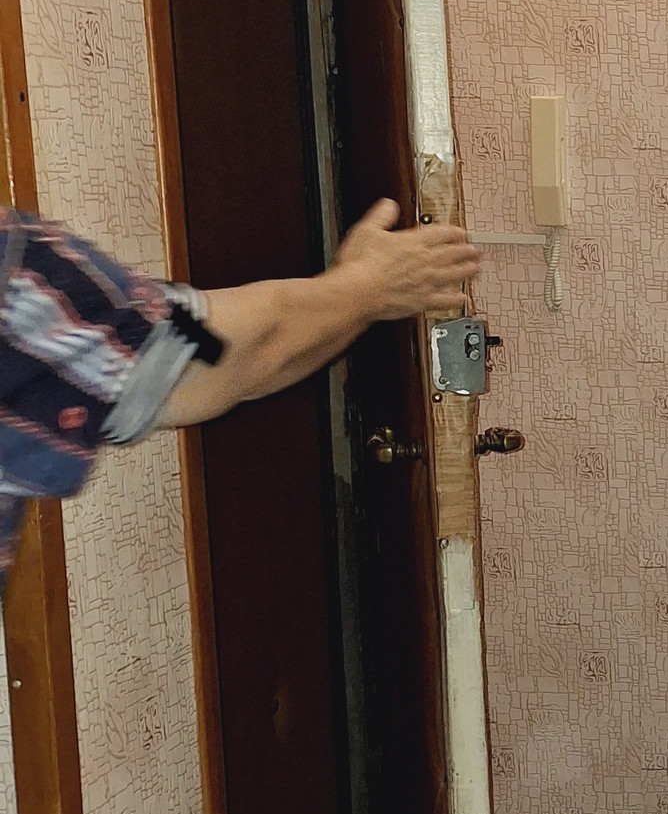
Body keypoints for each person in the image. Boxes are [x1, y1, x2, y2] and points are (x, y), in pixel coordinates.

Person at [0, 194, 481, 576]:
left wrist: (361, 294)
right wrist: (365, 287)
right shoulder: (16, 274)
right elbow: (217, 355)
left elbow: (231, 364)